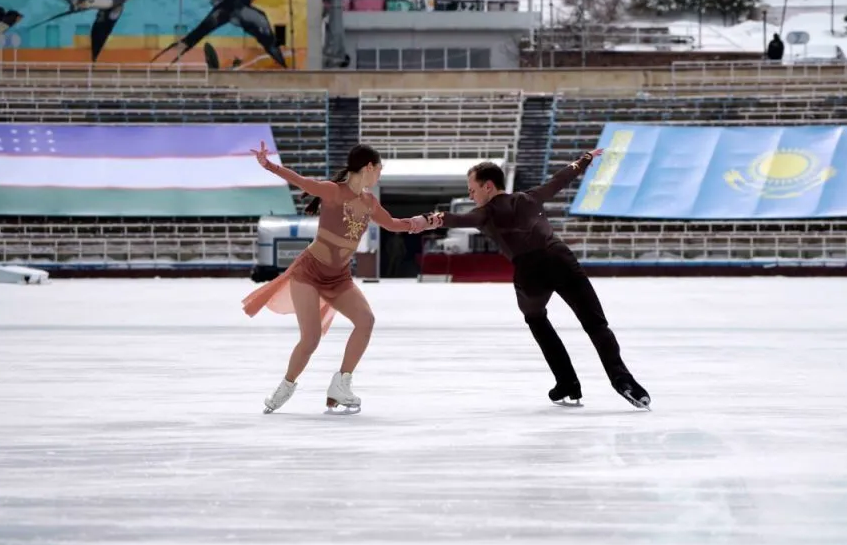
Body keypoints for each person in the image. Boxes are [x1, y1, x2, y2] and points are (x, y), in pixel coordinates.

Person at [422, 152, 651, 410]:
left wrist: (422, 221)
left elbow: (454, 219)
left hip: (530, 272)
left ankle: (567, 382)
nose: (470, 195)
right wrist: (585, 159)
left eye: (472, 190)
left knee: (536, 319)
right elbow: (561, 179)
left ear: (488, 186)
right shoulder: (530, 197)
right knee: (596, 324)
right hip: (560, 259)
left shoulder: (484, 214)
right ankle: (623, 381)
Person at [242, 142, 429, 414]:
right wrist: (269, 165)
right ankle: (286, 385)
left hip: (339, 277)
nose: (380, 175)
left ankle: (341, 384)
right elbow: (302, 182)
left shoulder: (369, 203)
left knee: (366, 321)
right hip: (309, 273)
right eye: (379, 169)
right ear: (369, 167)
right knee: (311, 339)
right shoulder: (333, 192)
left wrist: (421, 222)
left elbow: (392, 224)